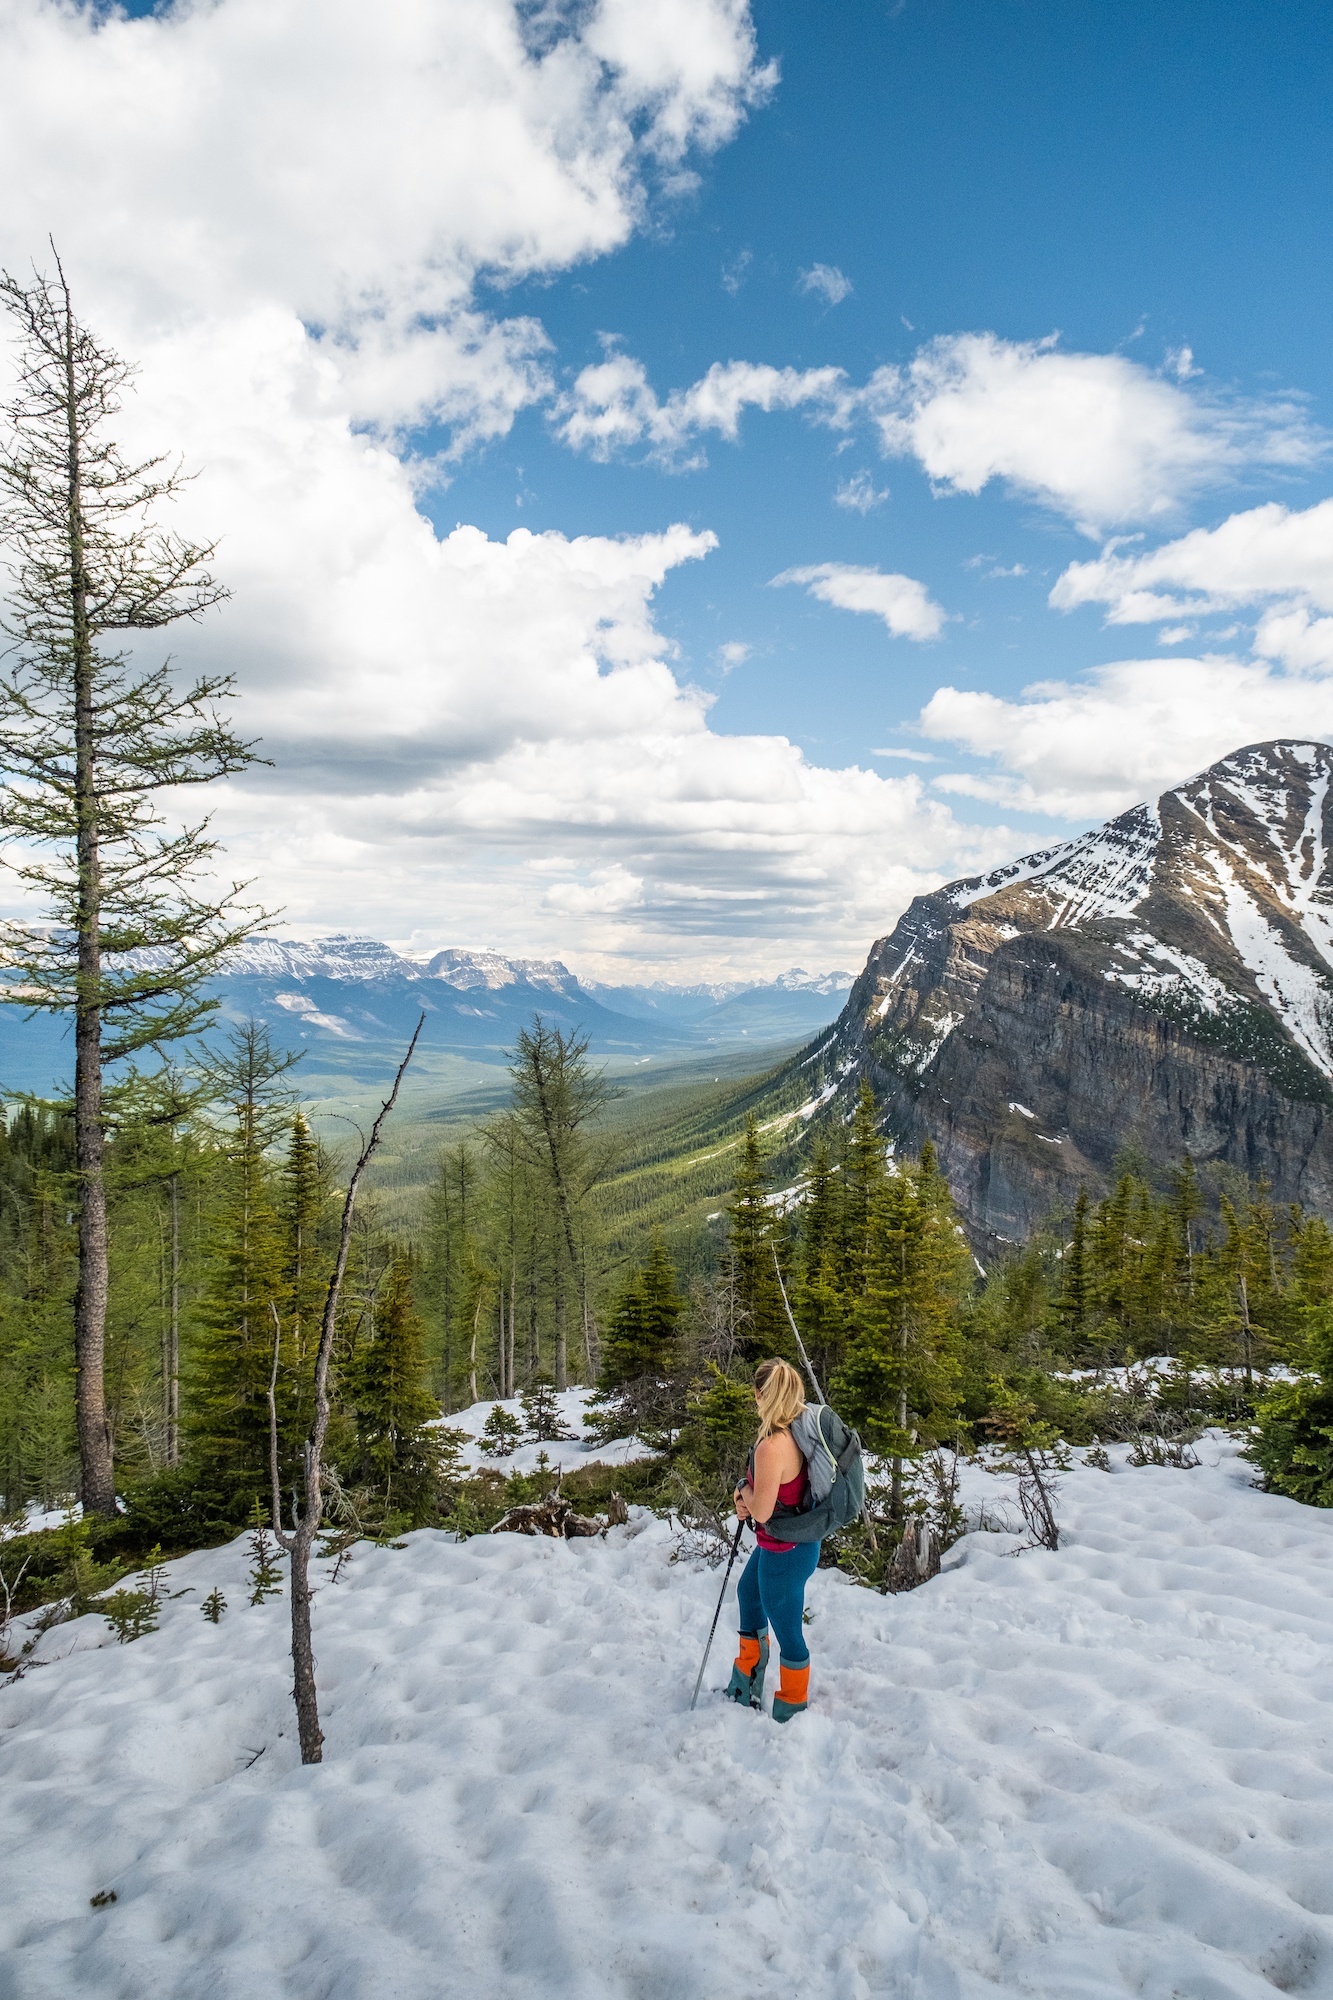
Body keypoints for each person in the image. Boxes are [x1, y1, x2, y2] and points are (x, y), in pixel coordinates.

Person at [726, 1357, 820, 1722]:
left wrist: (742, 1493)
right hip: (796, 1544)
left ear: (759, 1394)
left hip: (785, 1551)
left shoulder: (771, 1446)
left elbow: (761, 1511)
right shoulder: (799, 1431)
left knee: (787, 1629)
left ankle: (792, 1708)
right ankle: (745, 1680)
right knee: (748, 1594)